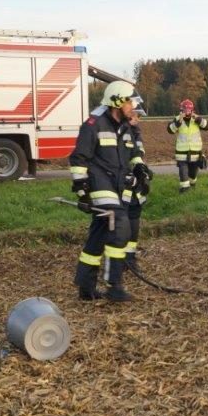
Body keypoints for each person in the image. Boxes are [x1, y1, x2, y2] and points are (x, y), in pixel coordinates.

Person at [69, 80, 137, 302]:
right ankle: (113, 284)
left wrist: (139, 171)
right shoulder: (93, 125)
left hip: (116, 187)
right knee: (120, 225)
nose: (132, 106)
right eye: (129, 102)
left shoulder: (124, 127)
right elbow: (78, 158)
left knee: (98, 235)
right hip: (98, 185)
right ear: (117, 102)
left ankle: (86, 287)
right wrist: (82, 190)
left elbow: (129, 156)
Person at [121, 102, 153, 273]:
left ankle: (130, 259)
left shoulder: (135, 132)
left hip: (132, 186)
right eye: (135, 115)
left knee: (134, 221)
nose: (137, 119)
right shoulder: (117, 131)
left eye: (139, 116)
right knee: (120, 225)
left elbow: (137, 155)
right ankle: (118, 261)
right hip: (119, 186)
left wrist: (142, 171)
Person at [167, 99, 208, 192]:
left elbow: (207, 126)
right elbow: (170, 130)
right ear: (181, 110)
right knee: (183, 172)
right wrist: (178, 122)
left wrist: (198, 119)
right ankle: (184, 190)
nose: (187, 112)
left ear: (192, 110)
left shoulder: (197, 119)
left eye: (189, 110)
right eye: (185, 110)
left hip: (195, 153)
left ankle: (192, 184)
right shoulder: (177, 119)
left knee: (193, 174)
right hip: (181, 153)